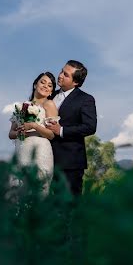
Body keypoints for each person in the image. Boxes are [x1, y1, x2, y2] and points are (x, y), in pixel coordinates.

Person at [46, 60, 97, 198]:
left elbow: (90, 127)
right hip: (45, 158)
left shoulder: (86, 99)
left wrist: (61, 130)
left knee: (68, 208)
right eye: (62, 71)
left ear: (75, 82)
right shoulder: (49, 95)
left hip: (70, 164)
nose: (60, 75)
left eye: (66, 75)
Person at [8, 72, 59, 191]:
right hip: (22, 151)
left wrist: (33, 125)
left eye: (50, 85)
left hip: (41, 151)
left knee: (38, 191)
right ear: (35, 84)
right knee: (18, 192)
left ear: (51, 91)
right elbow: (11, 134)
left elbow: (51, 135)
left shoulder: (49, 104)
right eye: (43, 82)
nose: (46, 86)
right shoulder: (21, 107)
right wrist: (21, 132)